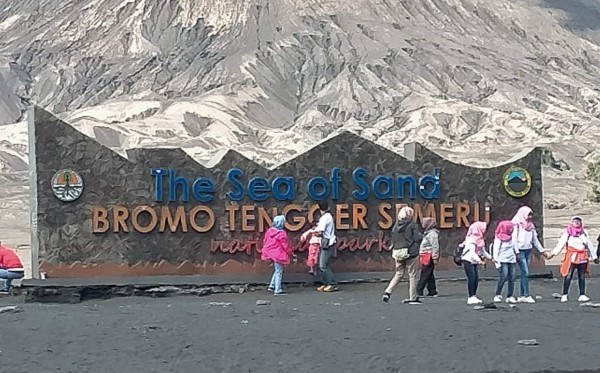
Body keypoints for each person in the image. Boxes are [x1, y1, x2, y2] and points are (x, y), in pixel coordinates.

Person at [546, 216, 597, 303]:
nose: (576, 223)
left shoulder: (583, 233)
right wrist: (553, 254)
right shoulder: (567, 233)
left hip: (582, 258)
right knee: (568, 275)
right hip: (571, 257)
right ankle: (564, 294)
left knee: (581, 276)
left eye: (578, 221)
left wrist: (594, 257)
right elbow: (561, 244)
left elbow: (589, 245)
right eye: (575, 221)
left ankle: (582, 294)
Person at [382, 206, 423, 304]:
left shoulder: (395, 227)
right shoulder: (413, 225)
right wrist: (421, 236)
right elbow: (417, 238)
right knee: (412, 275)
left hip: (398, 252)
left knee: (399, 273)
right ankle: (412, 297)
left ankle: (388, 292)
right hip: (410, 252)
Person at [511, 206, 545, 303]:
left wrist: (542, 251)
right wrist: (516, 251)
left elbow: (535, 240)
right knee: (525, 272)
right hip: (520, 251)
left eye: (531, 214)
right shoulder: (516, 225)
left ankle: (522, 295)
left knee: (524, 273)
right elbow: (513, 239)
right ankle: (526, 294)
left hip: (528, 250)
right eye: (528, 214)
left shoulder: (531, 226)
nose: (530, 217)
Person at [261, 215, 293, 296]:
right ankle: (277, 290)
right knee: (279, 271)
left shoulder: (269, 231)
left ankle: (272, 286)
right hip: (278, 254)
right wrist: (290, 253)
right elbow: (285, 245)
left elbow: (265, 240)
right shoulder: (282, 233)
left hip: (269, 252)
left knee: (277, 270)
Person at [461, 221, 491, 305]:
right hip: (468, 260)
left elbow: (483, 251)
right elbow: (472, 252)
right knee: (472, 278)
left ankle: (473, 296)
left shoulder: (480, 239)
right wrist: (479, 260)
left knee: (476, 279)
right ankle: (470, 296)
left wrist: (491, 258)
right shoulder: (471, 239)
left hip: (474, 261)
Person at [492, 220, 519, 304]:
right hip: (503, 259)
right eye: (510, 228)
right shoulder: (498, 238)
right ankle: (498, 294)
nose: (512, 230)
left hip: (512, 259)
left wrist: (517, 253)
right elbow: (495, 251)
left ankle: (510, 296)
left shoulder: (512, 237)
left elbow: (515, 246)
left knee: (512, 277)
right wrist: (497, 263)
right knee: (503, 276)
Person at [314, 201, 338, 292]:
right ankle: (326, 283)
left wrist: (311, 232)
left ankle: (332, 284)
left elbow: (320, 231)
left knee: (322, 265)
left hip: (327, 244)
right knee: (325, 265)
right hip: (328, 243)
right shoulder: (329, 216)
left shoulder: (324, 218)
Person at [416, 217, 439, 298]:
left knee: (424, 274)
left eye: (425, 222)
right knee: (429, 274)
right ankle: (432, 291)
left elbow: (435, 246)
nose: (423, 224)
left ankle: (419, 290)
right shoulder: (428, 233)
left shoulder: (432, 234)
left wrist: (435, 257)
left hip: (429, 256)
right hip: (426, 255)